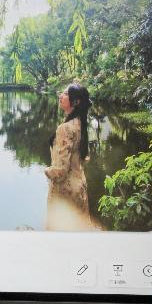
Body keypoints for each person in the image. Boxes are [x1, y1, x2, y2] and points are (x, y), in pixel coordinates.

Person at [44, 82, 94, 231]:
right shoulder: (80, 123)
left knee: (59, 236)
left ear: (76, 102)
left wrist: (47, 171)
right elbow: (84, 157)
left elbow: (60, 171)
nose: (61, 96)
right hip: (79, 185)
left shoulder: (65, 128)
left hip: (65, 192)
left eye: (65, 94)